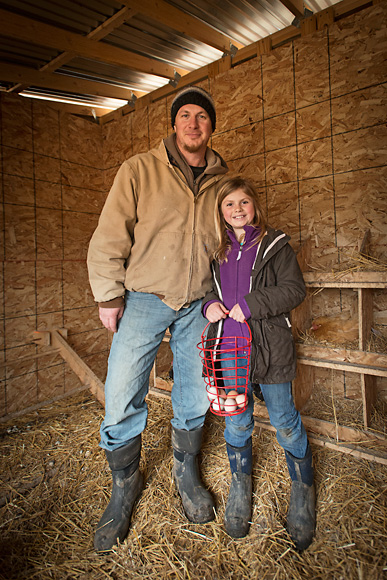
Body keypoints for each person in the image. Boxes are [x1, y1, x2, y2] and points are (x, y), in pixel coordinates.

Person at [87, 86, 228, 551]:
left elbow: (234, 238)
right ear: (174, 124)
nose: (193, 123)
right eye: (184, 115)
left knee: (195, 389)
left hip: (198, 303)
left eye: (201, 117)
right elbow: (110, 233)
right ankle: (124, 484)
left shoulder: (221, 180)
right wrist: (109, 295)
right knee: (123, 387)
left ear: (210, 127)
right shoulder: (140, 169)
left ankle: (186, 471)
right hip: (144, 296)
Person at [202, 176, 315, 551]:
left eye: (243, 202)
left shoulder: (275, 244)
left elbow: (294, 289)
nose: (237, 210)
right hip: (230, 348)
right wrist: (209, 305)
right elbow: (205, 291)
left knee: (283, 417)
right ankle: (240, 486)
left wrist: (251, 304)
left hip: (270, 348)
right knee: (237, 421)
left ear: (255, 206)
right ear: (221, 212)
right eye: (229, 204)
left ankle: (301, 489)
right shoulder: (216, 251)